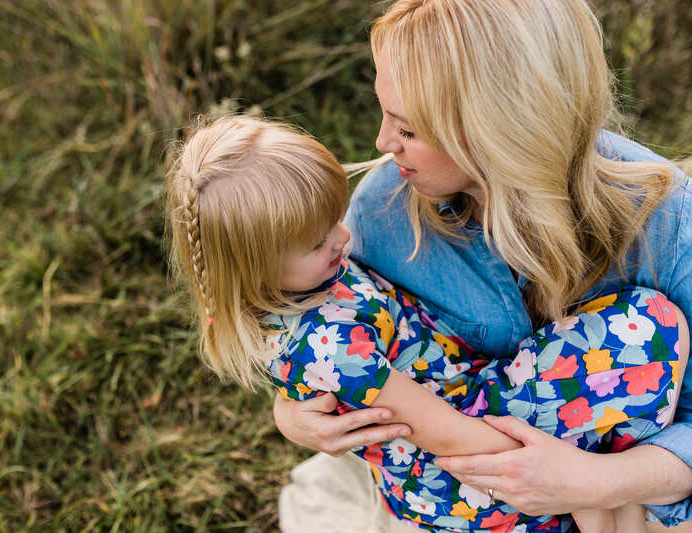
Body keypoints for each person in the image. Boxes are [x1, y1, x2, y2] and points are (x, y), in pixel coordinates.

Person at [272, 0, 692, 530]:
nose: (382, 144)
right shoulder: (384, 210)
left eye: (408, 130)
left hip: (630, 489)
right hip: (458, 487)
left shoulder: (667, 219)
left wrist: (593, 481)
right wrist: (292, 417)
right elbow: (329, 338)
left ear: (501, 128)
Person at [166, 115, 687, 532]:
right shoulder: (326, 347)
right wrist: (560, 478)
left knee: (646, 326)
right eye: (317, 241)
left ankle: (606, 507)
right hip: (463, 464)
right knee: (648, 325)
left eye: (335, 219)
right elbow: (442, 431)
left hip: (475, 402)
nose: (342, 239)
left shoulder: (310, 276)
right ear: (253, 269)